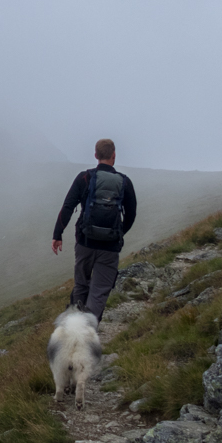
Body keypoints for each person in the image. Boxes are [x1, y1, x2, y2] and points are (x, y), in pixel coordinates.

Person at [51, 138, 137, 322]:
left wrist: (57, 234)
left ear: (96, 156)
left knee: (81, 286)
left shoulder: (85, 177)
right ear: (114, 156)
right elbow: (131, 214)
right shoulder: (124, 182)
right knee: (98, 293)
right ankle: (87, 332)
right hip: (110, 248)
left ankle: (73, 329)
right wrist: (117, 233)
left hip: (85, 243)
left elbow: (67, 207)